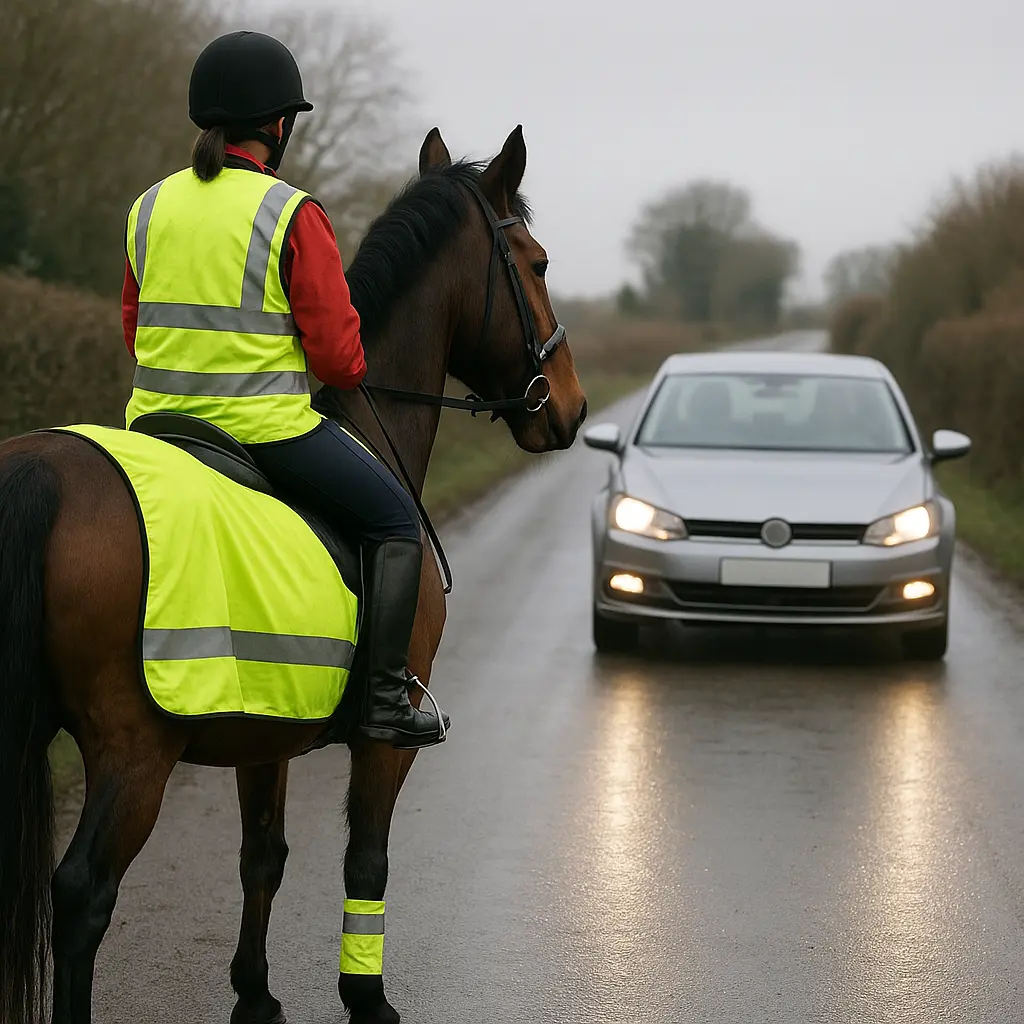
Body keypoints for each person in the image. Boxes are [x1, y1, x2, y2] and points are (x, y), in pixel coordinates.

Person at [121, 30, 448, 748]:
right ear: (278, 125)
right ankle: (387, 701)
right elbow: (338, 360)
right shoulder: (291, 212)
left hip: (152, 430)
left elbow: (133, 327)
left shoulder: (149, 208)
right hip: (264, 431)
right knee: (397, 524)